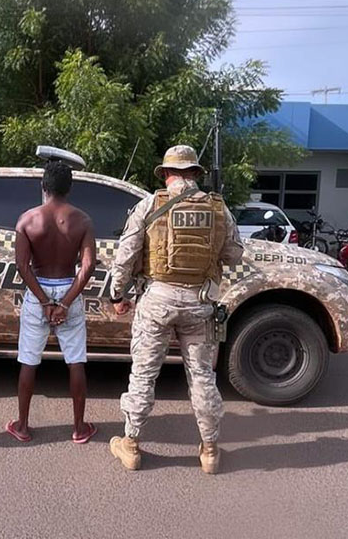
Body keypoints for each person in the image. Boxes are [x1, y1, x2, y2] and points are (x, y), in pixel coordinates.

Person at [108, 145, 243, 474]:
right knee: (202, 378)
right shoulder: (218, 209)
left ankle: (131, 445)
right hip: (200, 302)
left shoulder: (149, 205)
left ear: (167, 174)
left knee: (143, 375)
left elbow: (125, 257)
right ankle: (209, 450)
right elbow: (235, 255)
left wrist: (116, 295)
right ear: (195, 173)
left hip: (157, 301)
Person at [5, 161, 98, 444]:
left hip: (38, 292)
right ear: (69, 188)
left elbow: (22, 266)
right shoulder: (82, 220)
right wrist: (66, 302)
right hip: (69, 288)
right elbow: (89, 265)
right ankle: (79, 428)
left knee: (29, 361)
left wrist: (45, 301)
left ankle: (22, 425)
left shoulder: (27, 219)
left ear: (43, 187)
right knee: (76, 360)